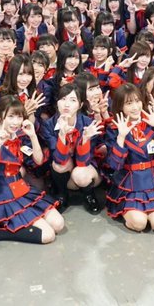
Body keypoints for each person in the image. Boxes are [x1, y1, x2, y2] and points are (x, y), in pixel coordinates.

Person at [0, 95, 64, 251]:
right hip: (1, 197)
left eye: (19, 117)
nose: (15, 122)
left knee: (59, 224)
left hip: (22, 190)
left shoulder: (20, 134)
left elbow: (38, 161)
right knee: (47, 235)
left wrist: (33, 136)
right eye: (11, 116)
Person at [105, 83, 154, 232]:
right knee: (139, 224)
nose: (135, 107)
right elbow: (115, 165)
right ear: (120, 107)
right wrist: (121, 137)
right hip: (130, 182)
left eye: (137, 101)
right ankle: (133, 213)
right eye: (129, 103)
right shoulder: (114, 128)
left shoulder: (152, 121)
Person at [41, 84, 104, 214]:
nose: (66, 104)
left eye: (73, 100)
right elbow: (59, 158)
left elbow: (83, 162)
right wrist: (62, 135)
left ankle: (89, 195)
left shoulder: (88, 123)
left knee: (79, 173)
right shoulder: (48, 125)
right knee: (58, 165)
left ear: (80, 105)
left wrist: (85, 139)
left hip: (86, 170)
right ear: (57, 102)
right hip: (65, 170)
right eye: (63, 99)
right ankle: (62, 194)